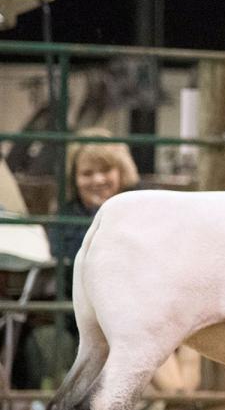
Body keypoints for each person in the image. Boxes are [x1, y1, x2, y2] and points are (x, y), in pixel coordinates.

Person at [42, 130, 196, 396]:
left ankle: (187, 398)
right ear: (75, 179)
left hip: (160, 296)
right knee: (143, 323)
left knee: (195, 317)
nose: (98, 180)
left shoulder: (144, 202)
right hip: (106, 310)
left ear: (121, 171)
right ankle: (180, 399)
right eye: (87, 173)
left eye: (106, 170)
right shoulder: (68, 218)